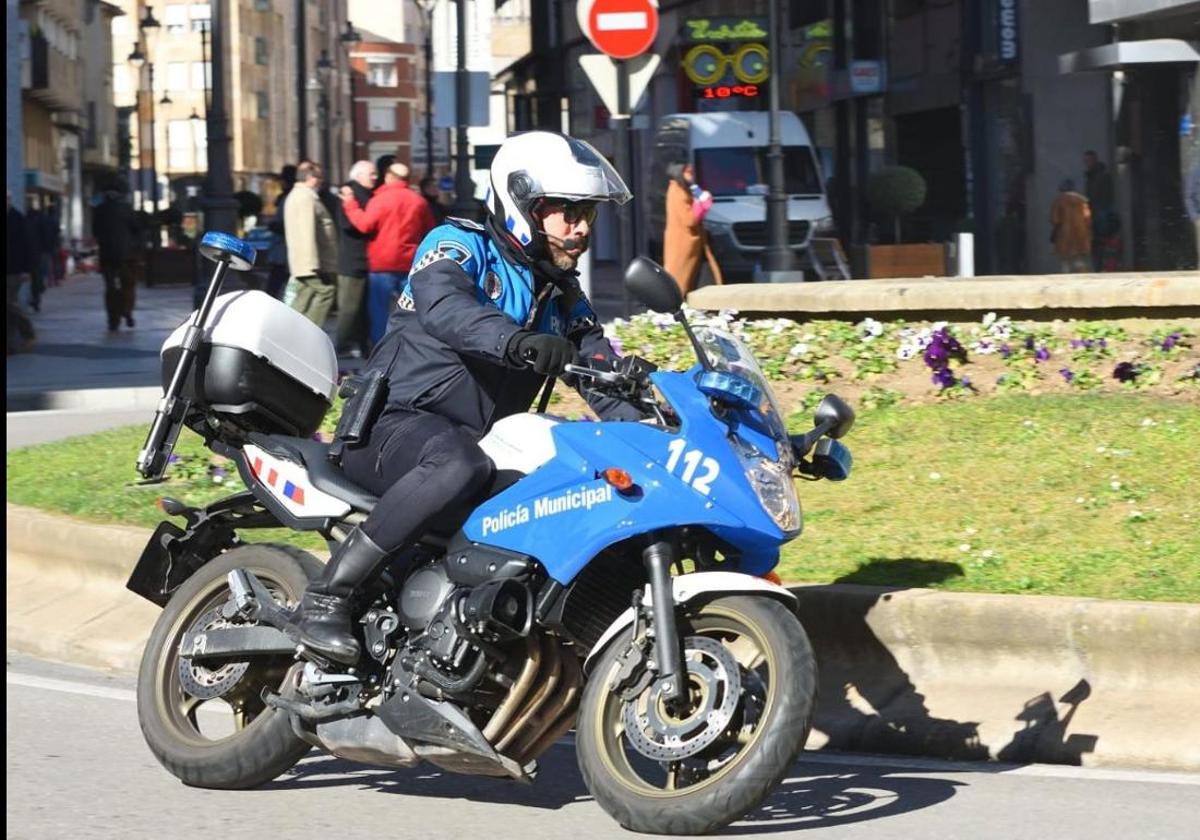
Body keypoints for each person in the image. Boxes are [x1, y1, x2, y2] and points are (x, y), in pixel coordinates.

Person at [290, 131, 644, 664]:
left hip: (480, 445)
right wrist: (517, 341)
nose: (581, 228)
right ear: (524, 205)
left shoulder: (560, 295)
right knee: (459, 462)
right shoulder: (458, 245)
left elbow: (599, 369)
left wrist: (660, 420)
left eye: (587, 214)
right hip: (392, 426)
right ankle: (326, 598)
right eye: (567, 212)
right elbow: (445, 307)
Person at [340, 162, 437, 345]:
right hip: (410, 262)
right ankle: (416, 345)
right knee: (413, 309)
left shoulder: (380, 200)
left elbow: (364, 225)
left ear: (389, 177)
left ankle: (381, 347)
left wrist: (350, 205)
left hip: (382, 264)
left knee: (379, 312)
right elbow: (429, 231)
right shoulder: (419, 201)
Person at [284, 160, 339, 327]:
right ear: (309, 177)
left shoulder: (301, 195)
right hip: (309, 261)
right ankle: (311, 330)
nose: (321, 180)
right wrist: (312, 263)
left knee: (302, 298)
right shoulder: (305, 197)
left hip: (305, 261)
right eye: (318, 176)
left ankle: (292, 330)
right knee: (326, 292)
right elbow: (306, 231)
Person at [334, 160, 377, 357]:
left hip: (364, 259)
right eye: (371, 174)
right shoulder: (350, 194)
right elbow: (350, 225)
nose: (375, 177)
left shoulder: (366, 194)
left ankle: (362, 344)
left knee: (362, 309)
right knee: (350, 308)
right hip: (353, 259)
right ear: (358, 175)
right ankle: (342, 346)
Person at [662, 162, 724, 295]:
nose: (691, 175)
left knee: (702, 281)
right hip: (684, 245)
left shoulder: (684, 189)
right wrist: (701, 205)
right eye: (688, 172)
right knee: (680, 282)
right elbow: (688, 219)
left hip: (694, 245)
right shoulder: (677, 190)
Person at [92, 179, 141, 331]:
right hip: (126, 255)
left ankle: (113, 319)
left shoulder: (99, 209)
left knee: (110, 286)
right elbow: (136, 228)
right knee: (128, 284)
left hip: (107, 256)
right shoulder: (127, 208)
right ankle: (127, 310)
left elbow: (95, 231)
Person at [7, 191, 37, 354]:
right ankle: (10, 345)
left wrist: (26, 269)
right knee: (9, 308)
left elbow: (27, 246)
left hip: (14, 269)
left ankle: (28, 332)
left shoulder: (18, 219)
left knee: (9, 304)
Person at [265, 164, 297, 299]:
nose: (281, 184)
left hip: (285, 251)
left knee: (276, 283)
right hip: (282, 250)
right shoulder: (285, 197)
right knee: (278, 282)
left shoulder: (290, 198)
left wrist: (273, 225)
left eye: (282, 181)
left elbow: (289, 225)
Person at [1050, 179, 1092, 273]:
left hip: (1064, 232)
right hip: (1080, 232)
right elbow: (1087, 217)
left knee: (1065, 258)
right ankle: (1082, 272)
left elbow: (1055, 219)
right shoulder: (1082, 201)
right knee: (1078, 256)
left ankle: (1066, 274)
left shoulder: (1059, 200)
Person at [1083, 150, 1116, 271]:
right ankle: (1099, 266)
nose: (1087, 163)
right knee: (1095, 242)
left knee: (1101, 240)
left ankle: (1102, 266)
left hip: (1100, 212)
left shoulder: (1102, 176)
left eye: (1089, 160)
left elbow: (1106, 196)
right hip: (1094, 213)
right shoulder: (1090, 176)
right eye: (1086, 161)